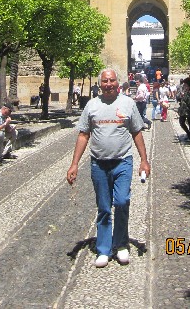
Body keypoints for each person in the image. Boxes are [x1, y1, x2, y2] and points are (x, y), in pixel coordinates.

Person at [66, 68, 150, 268]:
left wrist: (144, 160)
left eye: (112, 80)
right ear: (100, 84)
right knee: (104, 207)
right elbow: (83, 134)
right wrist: (74, 163)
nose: (109, 84)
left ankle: (121, 244)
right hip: (99, 163)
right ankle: (104, 248)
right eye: (105, 81)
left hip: (123, 161)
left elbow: (137, 132)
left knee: (121, 202)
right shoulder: (92, 106)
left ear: (118, 83)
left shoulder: (128, 104)